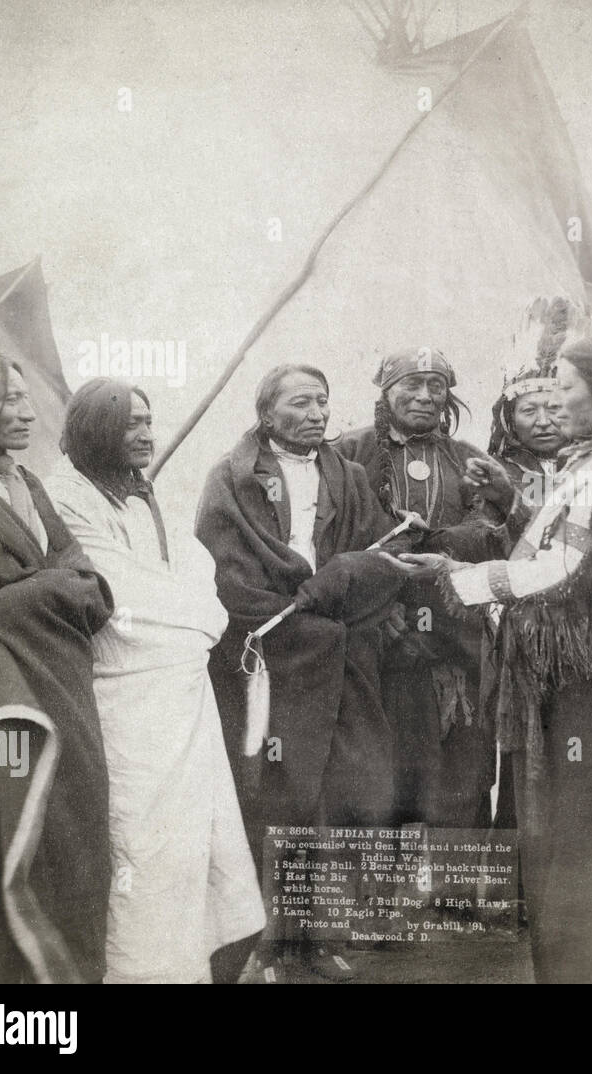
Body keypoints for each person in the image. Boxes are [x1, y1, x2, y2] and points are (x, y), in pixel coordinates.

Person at [391, 334, 592, 983]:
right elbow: (555, 551)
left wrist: (459, 578)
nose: (557, 398)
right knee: (584, 825)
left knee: (585, 827)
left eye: (567, 386)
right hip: (590, 674)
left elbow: (566, 572)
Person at [44, 378, 265, 983]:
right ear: (96, 430)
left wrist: (198, 619)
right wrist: (200, 621)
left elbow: (199, 570)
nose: (145, 435)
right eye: (129, 424)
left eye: (149, 421)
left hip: (182, 693)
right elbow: (118, 592)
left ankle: (192, 967)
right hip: (124, 694)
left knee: (196, 836)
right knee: (141, 840)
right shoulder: (64, 497)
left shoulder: (141, 494)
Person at [195, 363, 405, 980]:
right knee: (273, 793)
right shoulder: (230, 479)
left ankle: (317, 937)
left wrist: (339, 593)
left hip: (341, 656)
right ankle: (264, 941)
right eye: (300, 403)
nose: (316, 413)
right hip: (271, 658)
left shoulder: (352, 477)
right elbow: (225, 573)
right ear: (266, 413)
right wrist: (300, 612)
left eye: (323, 401)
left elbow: (379, 558)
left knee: (341, 791)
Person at [0, 348, 112, 983]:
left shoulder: (28, 484)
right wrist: (43, 592)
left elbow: (85, 578)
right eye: (8, 399)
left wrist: (18, 598)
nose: (28, 411)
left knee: (68, 843)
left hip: (58, 688)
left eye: (25, 396)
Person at [337, 349, 511, 829]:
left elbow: (499, 534)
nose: (424, 396)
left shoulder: (470, 459)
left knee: (458, 769)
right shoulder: (349, 453)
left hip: (454, 638)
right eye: (411, 384)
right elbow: (332, 540)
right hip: (378, 635)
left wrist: (456, 547)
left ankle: (452, 898)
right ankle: (380, 894)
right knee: (380, 768)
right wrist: (375, 604)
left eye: (436, 385)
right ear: (386, 390)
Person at [484, 298, 584, 832]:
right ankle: (523, 881)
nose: (544, 421)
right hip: (517, 629)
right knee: (524, 751)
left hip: (586, 628)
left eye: (556, 408)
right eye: (529, 410)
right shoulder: (487, 470)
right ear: (509, 417)